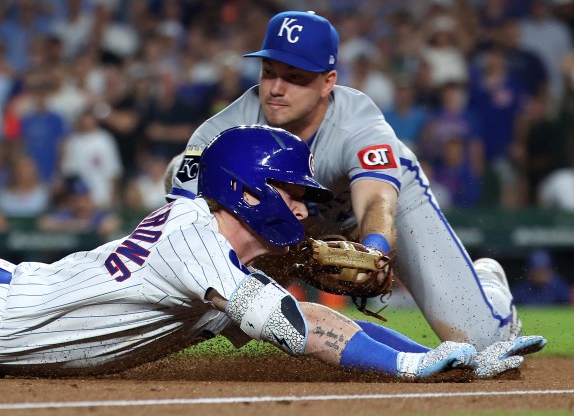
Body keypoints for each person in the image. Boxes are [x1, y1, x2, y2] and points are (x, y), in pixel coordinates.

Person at [0, 125, 544, 379]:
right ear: (246, 191)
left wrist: (446, 353)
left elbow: (317, 318)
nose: (301, 209)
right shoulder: (193, 235)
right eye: (290, 194)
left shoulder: (224, 259)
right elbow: (294, 326)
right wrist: (411, 366)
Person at [167, 11, 525, 351]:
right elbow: (181, 223)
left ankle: (487, 286)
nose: (276, 88)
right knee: (186, 307)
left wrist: (374, 249)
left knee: (481, 343)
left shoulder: (358, 123)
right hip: (286, 229)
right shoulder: (221, 132)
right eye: (269, 72)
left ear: (328, 82)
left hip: (380, 212)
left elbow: (377, 202)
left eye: (295, 77)